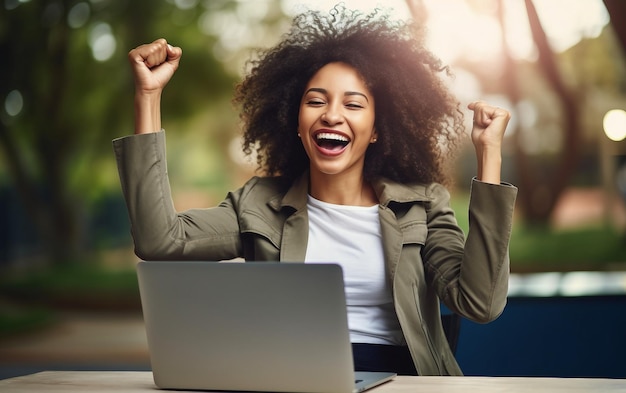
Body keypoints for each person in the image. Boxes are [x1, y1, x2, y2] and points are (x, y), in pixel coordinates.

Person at [114, 5, 517, 376]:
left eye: (354, 105)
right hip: (293, 378)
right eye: (316, 101)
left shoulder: (423, 204)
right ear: (296, 121)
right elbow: (159, 240)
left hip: (404, 380)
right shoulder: (258, 204)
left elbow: (479, 304)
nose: (332, 115)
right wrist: (148, 96)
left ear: (378, 130)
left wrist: (490, 156)